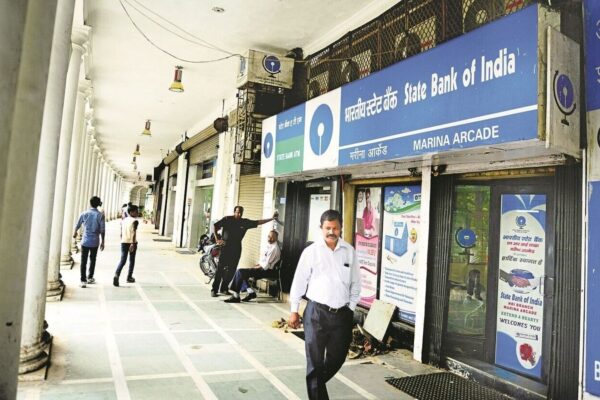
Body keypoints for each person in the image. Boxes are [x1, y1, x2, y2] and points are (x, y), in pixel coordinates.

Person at [288, 209, 361, 400]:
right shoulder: (311, 252)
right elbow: (299, 282)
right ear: (321, 228)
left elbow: (356, 283)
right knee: (315, 362)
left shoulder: (349, 251)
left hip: (342, 314)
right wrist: (294, 310)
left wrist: (351, 308)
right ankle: (317, 390)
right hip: (316, 313)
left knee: (338, 358)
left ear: (340, 228)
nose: (331, 232)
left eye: (335, 228)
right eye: (327, 228)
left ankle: (315, 382)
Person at [211, 206, 278, 297]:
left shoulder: (244, 222)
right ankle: (214, 290)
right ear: (234, 212)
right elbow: (215, 226)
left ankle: (224, 288)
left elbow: (258, 222)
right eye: (237, 212)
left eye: (240, 213)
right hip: (225, 247)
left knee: (231, 270)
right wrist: (217, 239)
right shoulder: (227, 219)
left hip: (236, 248)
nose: (238, 214)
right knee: (220, 269)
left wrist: (271, 219)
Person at [224, 230, 281, 303]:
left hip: (267, 271)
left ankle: (237, 296)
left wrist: (257, 267)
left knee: (240, 272)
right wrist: (258, 265)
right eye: (269, 236)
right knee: (241, 273)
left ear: (276, 238)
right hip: (262, 268)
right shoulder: (270, 246)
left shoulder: (274, 248)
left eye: (272, 237)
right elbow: (264, 260)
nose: (269, 238)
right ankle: (250, 292)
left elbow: (266, 265)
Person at [73, 196, 106, 288]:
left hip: (85, 241)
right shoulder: (100, 215)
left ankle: (83, 281)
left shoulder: (84, 213)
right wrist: (103, 241)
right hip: (95, 241)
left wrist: (75, 232)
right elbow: (102, 230)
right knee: (93, 259)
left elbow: (78, 224)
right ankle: (90, 277)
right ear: (98, 204)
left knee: (83, 261)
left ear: (90, 203)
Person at [113, 205, 139, 287]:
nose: (137, 213)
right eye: (136, 211)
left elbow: (121, 232)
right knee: (132, 260)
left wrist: (123, 239)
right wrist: (132, 243)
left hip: (124, 242)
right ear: (131, 212)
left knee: (123, 260)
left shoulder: (123, 220)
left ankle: (117, 274)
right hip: (132, 242)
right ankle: (129, 277)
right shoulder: (135, 221)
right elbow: (133, 232)